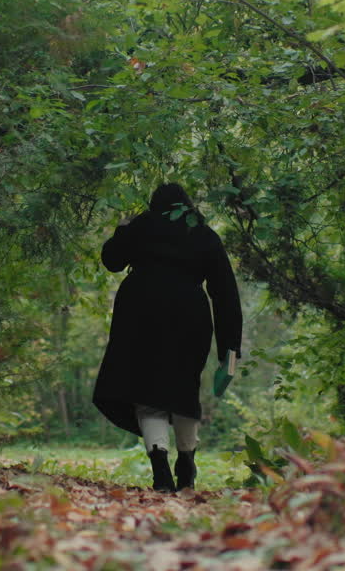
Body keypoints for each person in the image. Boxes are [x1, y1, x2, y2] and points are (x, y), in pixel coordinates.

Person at [92, 182, 242, 492]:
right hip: (190, 315)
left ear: (154, 204)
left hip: (139, 312)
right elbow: (224, 293)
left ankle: (160, 466)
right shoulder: (203, 233)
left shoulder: (142, 225)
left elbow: (112, 261)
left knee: (147, 392)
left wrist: (123, 230)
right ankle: (186, 459)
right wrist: (230, 347)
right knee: (183, 389)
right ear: (187, 205)